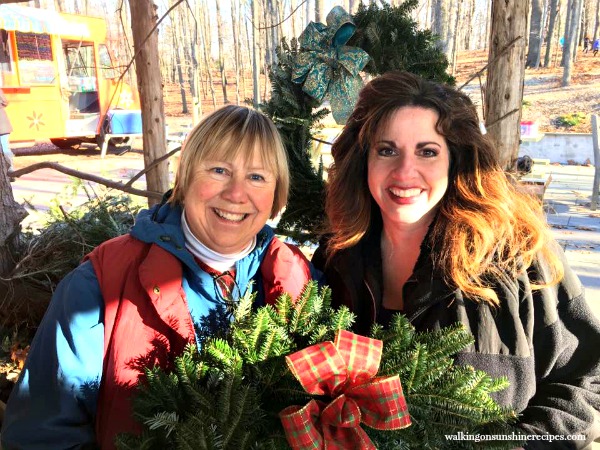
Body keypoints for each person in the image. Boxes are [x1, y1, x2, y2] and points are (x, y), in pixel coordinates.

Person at [2, 105, 321, 449]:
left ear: (277, 194)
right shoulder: (101, 283)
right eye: (218, 170)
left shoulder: (298, 279)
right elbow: (41, 436)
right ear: (185, 179)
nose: (236, 193)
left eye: (257, 177)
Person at [313, 71, 600, 448]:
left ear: (456, 161)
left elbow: (588, 382)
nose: (404, 171)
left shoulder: (519, 259)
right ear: (363, 160)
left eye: (427, 151)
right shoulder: (336, 259)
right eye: (387, 150)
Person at [0, 85, 13, 173]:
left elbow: (5, 102)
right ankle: (10, 169)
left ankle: (9, 169)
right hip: (3, 126)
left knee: (4, 148)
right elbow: (5, 102)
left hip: (2, 127)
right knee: (5, 148)